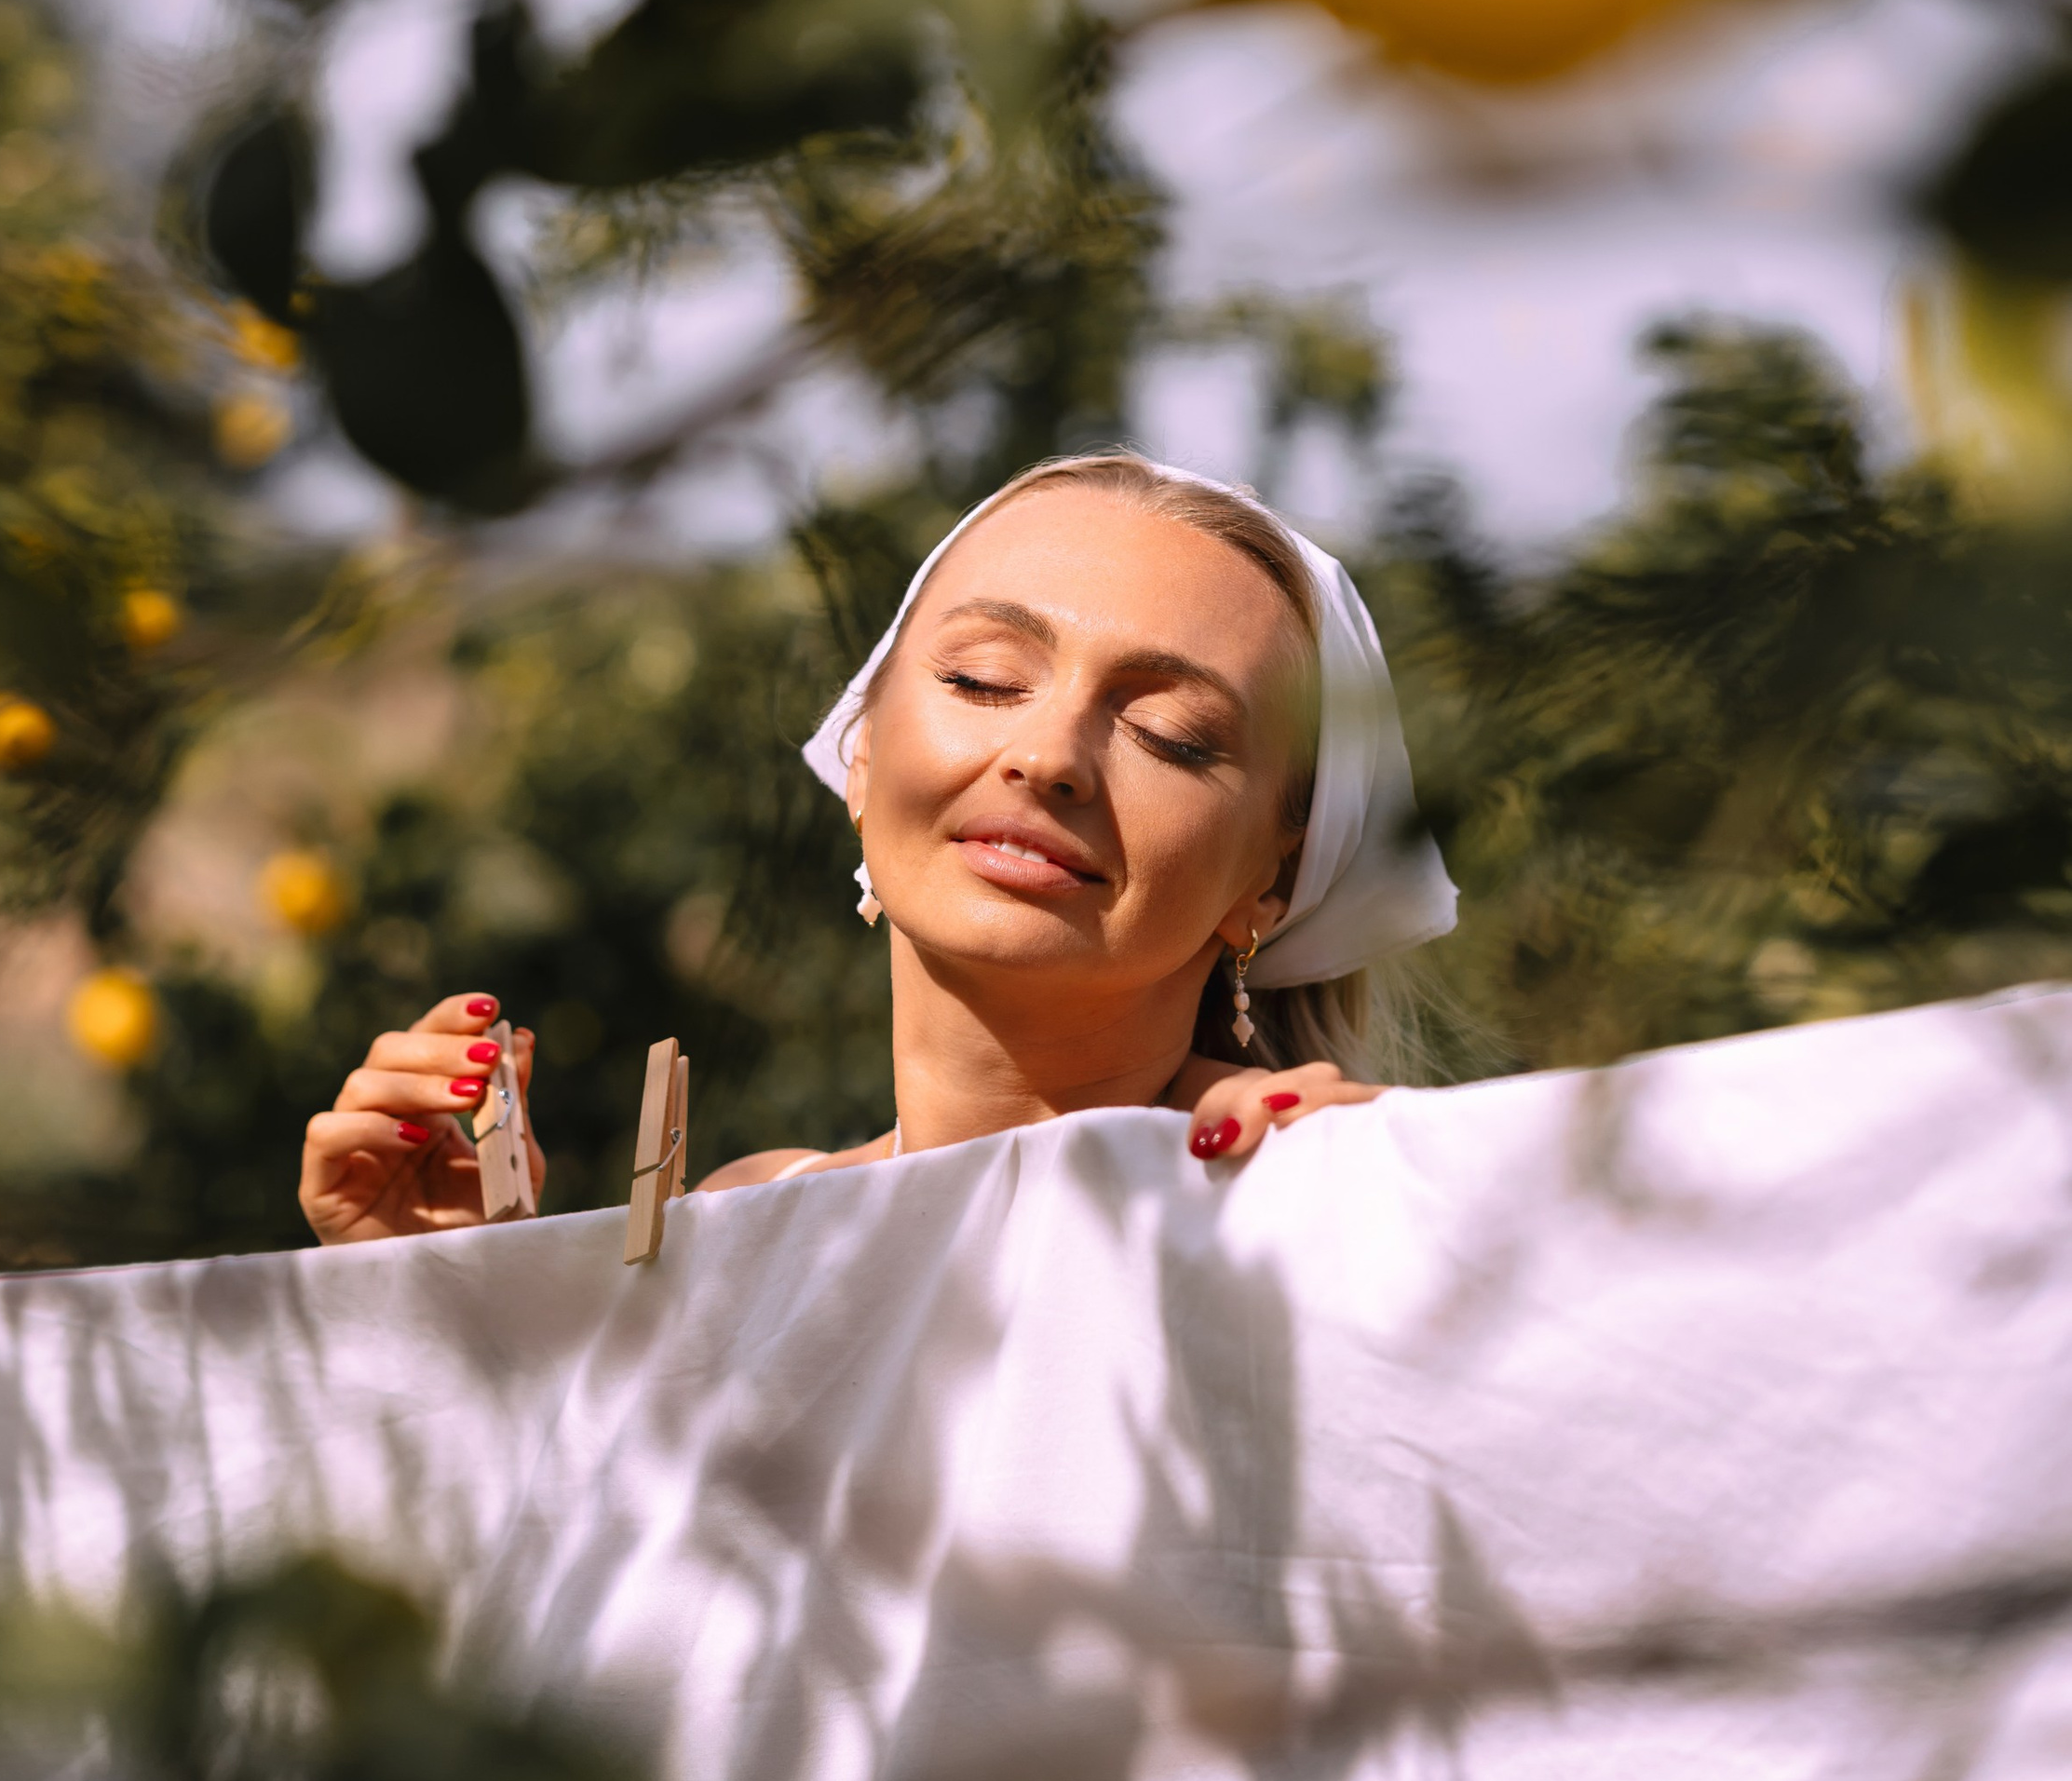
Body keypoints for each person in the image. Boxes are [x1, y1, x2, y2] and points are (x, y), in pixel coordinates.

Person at [298, 453, 1456, 1243]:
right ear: (860, 751)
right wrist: (451, 1300)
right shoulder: (736, 1218)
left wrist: (1380, 1239)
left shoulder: (1320, 1194)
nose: (1048, 756)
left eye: (1169, 733)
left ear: (1271, 877)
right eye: (981, 678)